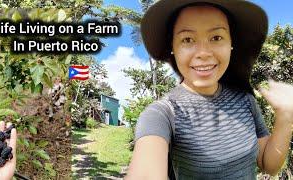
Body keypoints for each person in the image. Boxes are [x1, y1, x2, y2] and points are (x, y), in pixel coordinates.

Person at [125, 0, 293, 179]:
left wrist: (285, 116)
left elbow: (268, 165)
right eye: (187, 39)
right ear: (173, 48)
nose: (203, 53)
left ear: (231, 44)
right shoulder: (163, 113)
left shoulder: (245, 100)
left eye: (216, 38)